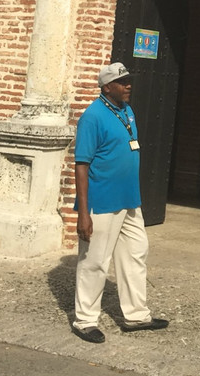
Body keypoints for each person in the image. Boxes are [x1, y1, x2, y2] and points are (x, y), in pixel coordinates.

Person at [72, 62, 168, 343]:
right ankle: (85, 320)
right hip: (101, 202)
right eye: (121, 82)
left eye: (129, 81)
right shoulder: (93, 116)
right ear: (106, 87)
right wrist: (83, 214)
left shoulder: (126, 111)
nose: (128, 85)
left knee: (136, 253)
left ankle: (136, 315)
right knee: (95, 261)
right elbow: (81, 164)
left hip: (129, 200)